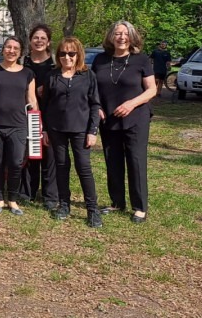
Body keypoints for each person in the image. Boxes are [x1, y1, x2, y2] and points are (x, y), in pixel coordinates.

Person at [91, 21, 156, 224]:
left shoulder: (141, 60)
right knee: (113, 161)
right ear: (111, 36)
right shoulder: (100, 60)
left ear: (131, 37)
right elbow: (93, 88)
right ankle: (117, 202)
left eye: (125, 34)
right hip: (108, 119)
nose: (121, 37)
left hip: (136, 117)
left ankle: (140, 207)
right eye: (117, 33)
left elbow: (152, 89)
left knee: (135, 161)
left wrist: (131, 104)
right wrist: (97, 106)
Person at [41, 37, 103, 228]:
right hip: (56, 129)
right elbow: (45, 105)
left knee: (83, 168)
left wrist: (93, 131)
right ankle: (64, 204)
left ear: (78, 55)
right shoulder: (52, 76)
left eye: (71, 53)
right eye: (62, 53)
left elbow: (95, 104)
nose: (67, 57)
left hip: (81, 130)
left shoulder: (88, 75)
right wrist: (44, 130)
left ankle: (92, 210)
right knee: (61, 166)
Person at [0, 36, 37, 216]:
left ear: (20, 52)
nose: (11, 51)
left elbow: (31, 99)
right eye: (8, 47)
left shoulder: (27, 73)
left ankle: (12, 199)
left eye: (16, 48)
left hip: (18, 125)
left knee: (16, 163)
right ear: (3, 49)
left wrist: (36, 121)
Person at [21, 24, 59, 210]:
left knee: (48, 152)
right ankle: (27, 191)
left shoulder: (54, 64)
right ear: (30, 40)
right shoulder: (22, 63)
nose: (39, 41)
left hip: (50, 113)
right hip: (26, 112)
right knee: (29, 152)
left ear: (48, 42)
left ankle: (50, 195)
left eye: (43, 38)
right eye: (36, 37)